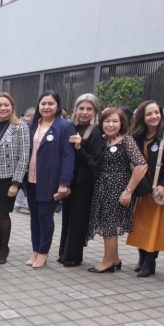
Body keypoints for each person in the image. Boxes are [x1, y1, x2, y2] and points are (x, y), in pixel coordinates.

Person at [125, 101, 164, 277]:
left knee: (154, 227)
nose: (154, 116)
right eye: (149, 114)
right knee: (141, 225)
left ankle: (150, 261)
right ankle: (142, 257)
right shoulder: (137, 135)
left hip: (159, 190)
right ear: (142, 117)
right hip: (143, 188)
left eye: (156, 112)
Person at [87, 107, 147, 273]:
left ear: (122, 123)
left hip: (118, 189)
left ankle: (107, 262)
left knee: (109, 226)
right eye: (107, 121)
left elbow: (141, 165)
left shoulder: (126, 140)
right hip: (103, 189)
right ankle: (115, 259)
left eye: (115, 121)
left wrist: (128, 191)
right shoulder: (104, 140)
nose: (111, 125)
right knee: (108, 225)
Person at [25, 90, 75, 269]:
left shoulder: (65, 126)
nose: (46, 107)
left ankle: (43, 252)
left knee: (45, 217)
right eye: (43, 103)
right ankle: (35, 249)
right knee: (34, 218)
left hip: (50, 181)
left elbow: (68, 157)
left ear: (57, 106)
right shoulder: (33, 124)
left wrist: (64, 183)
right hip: (31, 179)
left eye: (51, 103)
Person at [58, 94, 104, 267]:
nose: (85, 112)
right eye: (81, 108)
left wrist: (79, 148)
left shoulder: (96, 132)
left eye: (89, 109)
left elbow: (95, 162)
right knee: (67, 218)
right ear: (76, 109)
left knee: (78, 220)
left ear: (95, 111)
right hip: (68, 180)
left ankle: (73, 256)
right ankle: (64, 253)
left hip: (84, 183)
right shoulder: (71, 127)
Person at [0, 92, 29, 265]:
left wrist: (16, 183)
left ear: (12, 107)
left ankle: (4, 249)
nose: (3, 108)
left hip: (8, 178)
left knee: (3, 214)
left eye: (6, 105)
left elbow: (24, 157)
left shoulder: (20, 127)